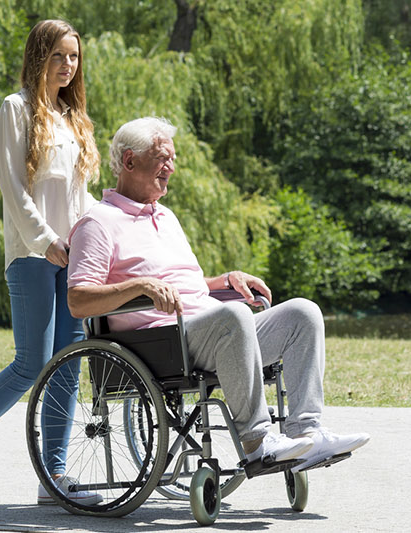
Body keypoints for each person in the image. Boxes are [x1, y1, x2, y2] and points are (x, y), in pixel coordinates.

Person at [65, 116, 369, 470]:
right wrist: (140, 286)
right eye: (163, 158)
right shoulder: (98, 223)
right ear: (130, 161)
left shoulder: (166, 217)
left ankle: (308, 434)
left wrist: (223, 280)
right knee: (235, 315)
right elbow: (79, 299)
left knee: (303, 313)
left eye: (173, 159)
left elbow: (182, 282)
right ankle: (257, 441)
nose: (171, 168)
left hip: (208, 329)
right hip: (159, 343)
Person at [0, 19, 103, 506]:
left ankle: (52, 477)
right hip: (33, 254)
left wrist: (104, 231)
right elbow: (13, 189)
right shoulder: (15, 110)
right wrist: (47, 239)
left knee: (67, 366)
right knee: (31, 363)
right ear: (38, 56)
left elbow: (80, 195)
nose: (67, 65)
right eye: (58, 55)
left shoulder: (71, 117)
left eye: (73, 57)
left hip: (73, 256)